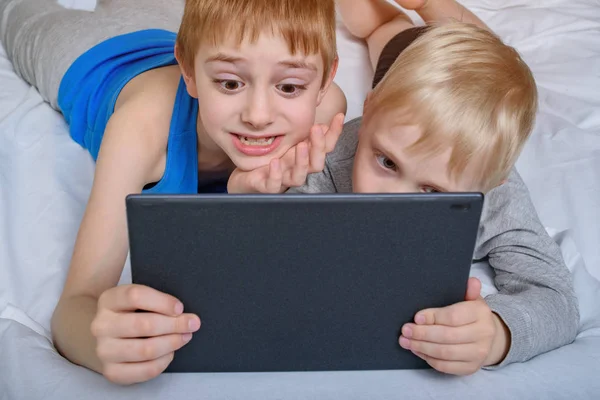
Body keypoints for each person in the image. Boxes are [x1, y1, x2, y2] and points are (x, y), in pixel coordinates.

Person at [0, 0, 347, 385]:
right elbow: (73, 308)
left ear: (325, 82)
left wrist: (242, 193)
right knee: (17, 11)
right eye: (230, 83)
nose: (258, 115)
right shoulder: (140, 130)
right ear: (190, 73)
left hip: (170, 34)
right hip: (88, 55)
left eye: (289, 86)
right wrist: (99, 343)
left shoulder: (324, 114)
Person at [233, 0, 580, 376]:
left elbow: (556, 299)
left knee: (493, 55)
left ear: (492, 185)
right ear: (368, 113)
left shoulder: (498, 197)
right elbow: (280, 238)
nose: (394, 199)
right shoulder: (337, 157)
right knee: (382, 31)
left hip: (445, 89)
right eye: (386, 162)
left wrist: (498, 334)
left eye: (432, 191)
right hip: (402, 61)